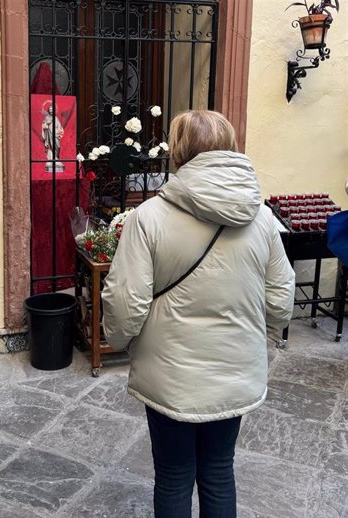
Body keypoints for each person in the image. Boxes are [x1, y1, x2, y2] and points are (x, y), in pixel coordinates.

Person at [101, 110, 295, 518]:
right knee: (219, 470)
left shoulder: (147, 218)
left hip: (170, 376)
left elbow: (124, 304)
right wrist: (269, 333)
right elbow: (280, 297)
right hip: (236, 370)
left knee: (173, 475)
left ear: (179, 152)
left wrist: (121, 341)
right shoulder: (261, 218)